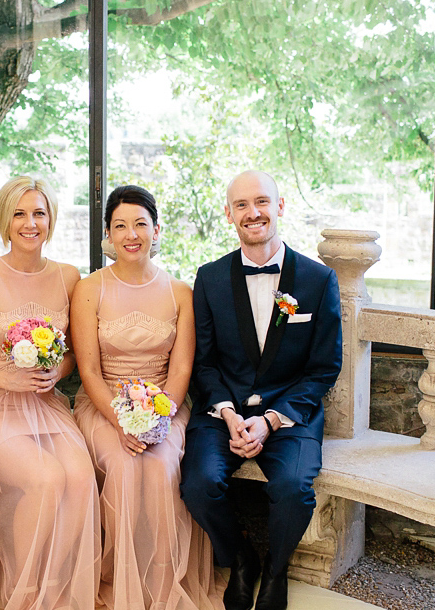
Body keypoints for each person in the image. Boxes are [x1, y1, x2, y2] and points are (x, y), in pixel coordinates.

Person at [179, 170, 343, 610]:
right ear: (229, 214)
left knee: (292, 488)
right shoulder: (210, 279)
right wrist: (231, 416)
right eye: (242, 205)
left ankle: (275, 569)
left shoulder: (317, 280)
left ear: (280, 206)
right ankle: (242, 559)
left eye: (262, 202)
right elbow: (205, 362)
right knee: (198, 485)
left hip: (289, 415)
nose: (253, 213)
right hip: (224, 413)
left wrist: (270, 420)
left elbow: (324, 368)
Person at [0, 175, 99, 610]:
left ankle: (52, 591)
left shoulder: (69, 277)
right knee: (45, 479)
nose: (30, 223)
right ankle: (22, 597)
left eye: (39, 213)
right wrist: (7, 379)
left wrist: (57, 371)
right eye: (19, 214)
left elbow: (74, 354)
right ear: (4, 220)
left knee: (81, 480)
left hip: (44, 403)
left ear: (51, 220)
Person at [71, 185, 224, 610]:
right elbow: (88, 370)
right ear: (108, 233)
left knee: (158, 467)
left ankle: (160, 585)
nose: (131, 234)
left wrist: (158, 419)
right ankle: (119, 583)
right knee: (122, 465)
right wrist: (122, 421)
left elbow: (181, 370)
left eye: (140, 223)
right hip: (103, 405)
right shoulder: (89, 289)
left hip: (165, 405)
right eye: (120, 225)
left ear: (156, 230)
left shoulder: (180, 293)